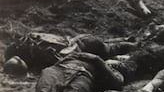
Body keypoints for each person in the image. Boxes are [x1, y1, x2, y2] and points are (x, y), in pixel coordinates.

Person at [4, 32, 139, 71]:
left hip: (83, 44)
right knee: (107, 46)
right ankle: (127, 40)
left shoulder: (42, 52)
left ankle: (134, 44)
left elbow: (63, 61)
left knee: (110, 49)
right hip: (81, 39)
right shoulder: (33, 37)